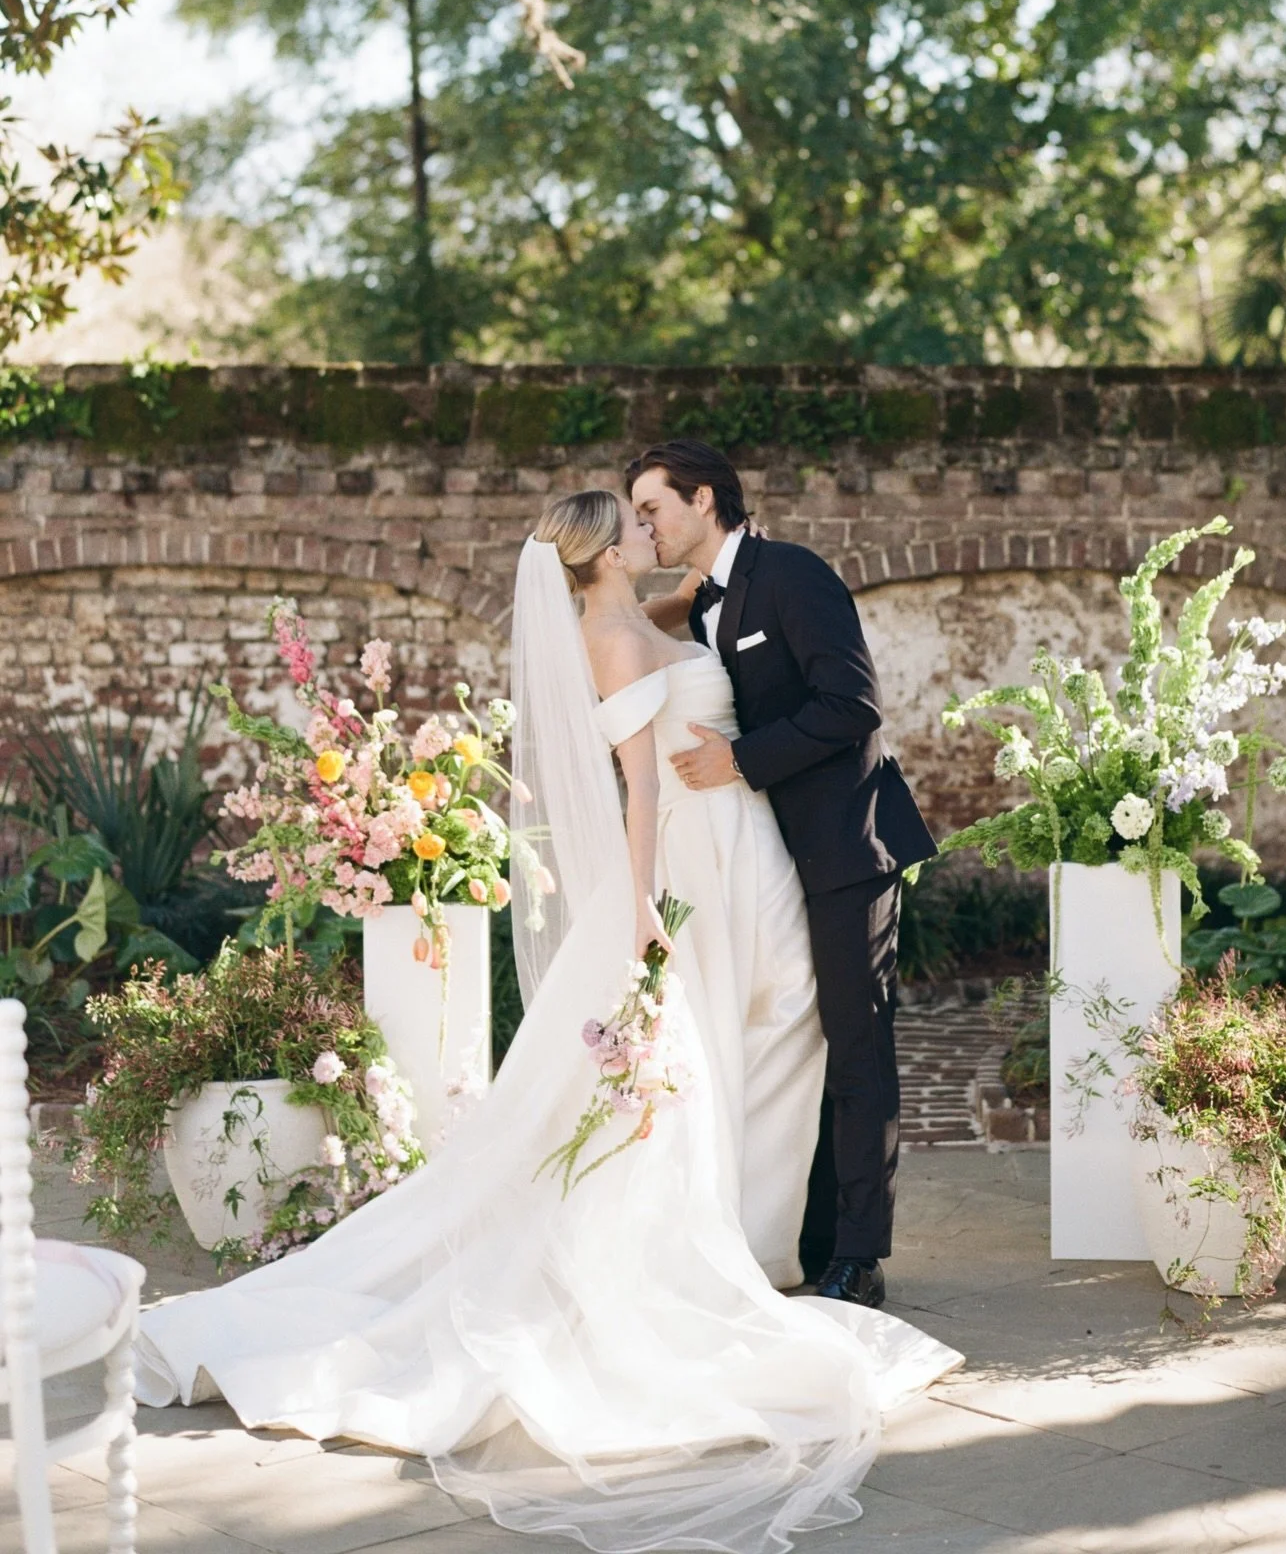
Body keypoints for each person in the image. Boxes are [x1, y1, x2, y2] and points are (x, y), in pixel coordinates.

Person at [133, 489, 959, 1554]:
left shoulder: (650, 610)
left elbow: (700, 619)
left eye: (652, 507)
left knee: (763, 1025)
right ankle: (733, 1246)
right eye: (631, 516)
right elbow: (640, 793)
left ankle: (753, 1234)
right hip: (689, 857)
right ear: (601, 548)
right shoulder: (610, 635)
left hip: (742, 841)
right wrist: (648, 919)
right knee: (704, 1047)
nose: (644, 526)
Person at [629, 442, 937, 1308]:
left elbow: (852, 705)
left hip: (846, 849)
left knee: (854, 1044)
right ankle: (799, 1232)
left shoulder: (795, 576)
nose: (646, 524)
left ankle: (859, 1256)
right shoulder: (703, 602)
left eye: (653, 507)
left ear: (702, 498)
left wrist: (740, 761)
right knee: (782, 1038)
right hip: (763, 862)